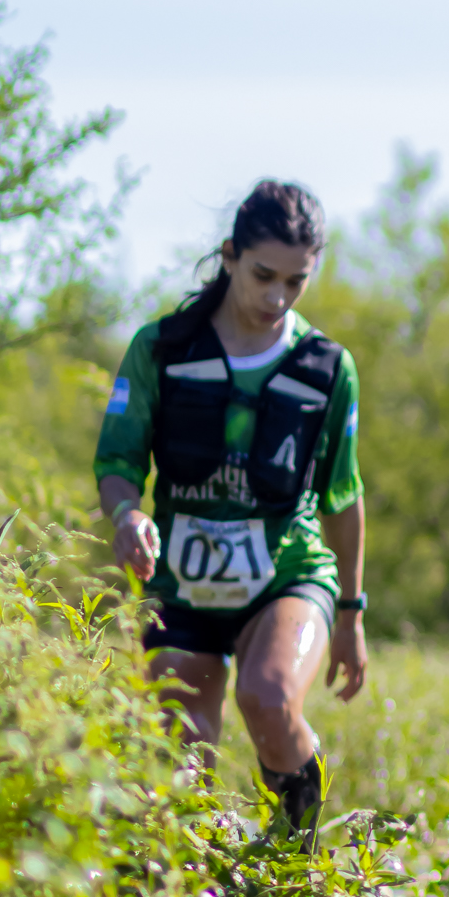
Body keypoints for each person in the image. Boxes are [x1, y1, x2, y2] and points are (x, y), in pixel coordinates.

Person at [95, 180, 367, 844]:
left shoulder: (328, 368)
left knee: (269, 700)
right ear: (229, 256)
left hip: (286, 574)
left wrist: (352, 615)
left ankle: (294, 867)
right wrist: (128, 516)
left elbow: (343, 496)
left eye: (296, 282)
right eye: (263, 275)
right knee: (177, 760)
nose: (276, 298)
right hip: (181, 585)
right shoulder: (161, 348)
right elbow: (118, 463)